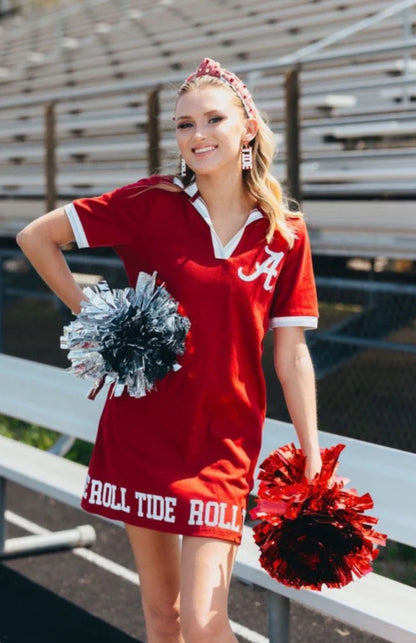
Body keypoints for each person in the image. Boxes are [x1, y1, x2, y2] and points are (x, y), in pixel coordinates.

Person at [16, 57, 322, 643]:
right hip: (145, 431)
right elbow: (37, 237)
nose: (197, 135)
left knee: (206, 625)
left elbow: (292, 354)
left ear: (248, 127)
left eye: (213, 119)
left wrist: (311, 451)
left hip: (224, 444)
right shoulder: (151, 201)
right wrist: (98, 318)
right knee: (164, 619)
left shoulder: (285, 232)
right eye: (184, 125)